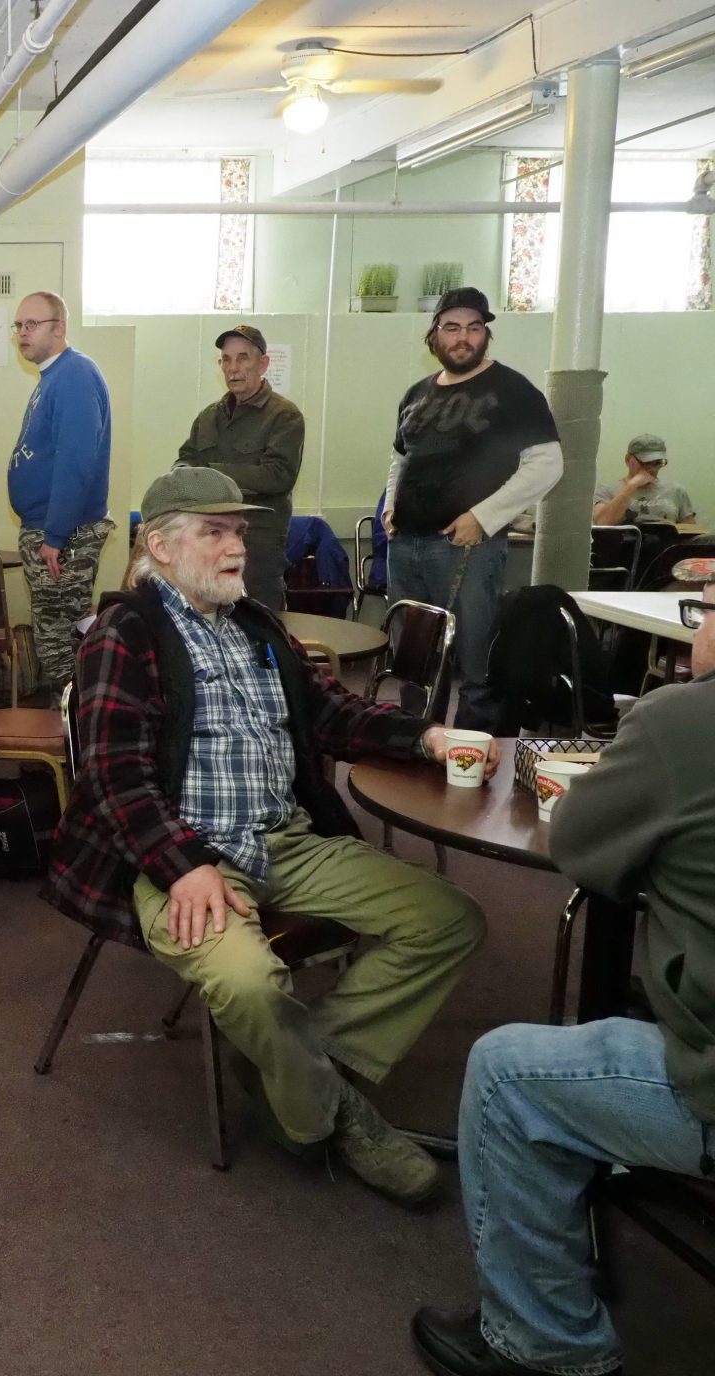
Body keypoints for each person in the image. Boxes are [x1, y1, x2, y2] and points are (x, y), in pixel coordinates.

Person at [41, 466, 488, 1206]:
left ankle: (290, 1064)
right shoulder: (125, 634)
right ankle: (329, 1116)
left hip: (288, 840)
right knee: (250, 981)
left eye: (239, 533)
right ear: (160, 545)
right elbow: (114, 776)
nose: (235, 548)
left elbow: (332, 712)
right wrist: (183, 864)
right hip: (188, 853)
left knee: (449, 920)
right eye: (214, 532)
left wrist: (425, 736)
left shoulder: (257, 625)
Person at [410, 555, 715, 1376]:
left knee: (506, 1074)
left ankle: (542, 1344)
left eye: (706, 609)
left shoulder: (684, 722)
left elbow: (582, 846)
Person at [385, 287, 561, 730]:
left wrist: (483, 518)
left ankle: (469, 759)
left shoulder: (513, 389)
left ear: (485, 335)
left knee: (475, 667)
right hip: (405, 546)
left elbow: (547, 463)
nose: (463, 337)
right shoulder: (416, 393)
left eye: (474, 327)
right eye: (452, 327)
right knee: (412, 664)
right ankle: (415, 744)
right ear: (435, 335)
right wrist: (390, 507)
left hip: (467, 547)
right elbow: (401, 457)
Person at [7, 290, 114, 692]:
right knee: (68, 629)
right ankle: (74, 721)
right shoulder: (54, 376)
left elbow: (76, 461)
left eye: (32, 324)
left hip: (62, 535)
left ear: (60, 328)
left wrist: (54, 535)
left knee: (56, 645)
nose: (22, 333)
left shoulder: (74, 375)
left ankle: (73, 725)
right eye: (19, 325)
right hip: (52, 529)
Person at [177, 324, 304, 611]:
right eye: (226, 359)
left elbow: (278, 476)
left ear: (263, 364)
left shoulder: (284, 416)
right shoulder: (208, 417)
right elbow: (186, 459)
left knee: (259, 625)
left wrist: (210, 475)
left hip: (255, 547)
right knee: (207, 622)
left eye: (243, 358)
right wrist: (181, 475)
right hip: (207, 543)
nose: (233, 368)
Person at [591, 432, 696, 526]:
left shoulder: (676, 490)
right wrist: (632, 486)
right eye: (645, 463)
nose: (651, 469)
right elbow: (603, 522)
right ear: (628, 459)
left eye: (657, 463)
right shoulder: (606, 490)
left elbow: (690, 533)